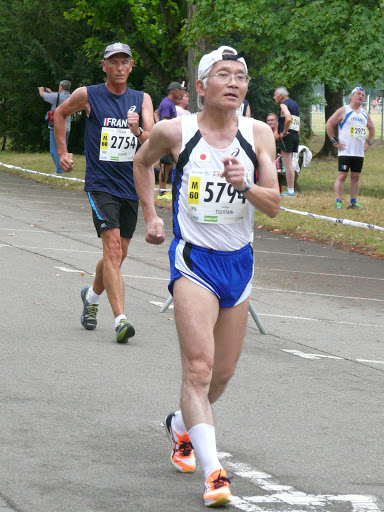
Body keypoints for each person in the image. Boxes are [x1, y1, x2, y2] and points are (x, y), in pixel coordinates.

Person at [133, 46, 280, 507]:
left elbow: (273, 205)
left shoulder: (258, 135)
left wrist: (246, 185)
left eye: (241, 76)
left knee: (221, 374)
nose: (234, 82)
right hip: (193, 259)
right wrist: (151, 217)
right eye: (223, 74)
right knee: (198, 368)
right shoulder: (174, 130)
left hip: (239, 261)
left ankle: (181, 426)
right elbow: (141, 162)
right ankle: (215, 473)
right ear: (201, 87)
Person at [54, 42, 154, 343]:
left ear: (132, 66)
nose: (120, 67)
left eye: (125, 62)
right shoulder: (89, 94)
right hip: (100, 185)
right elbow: (59, 114)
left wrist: (137, 131)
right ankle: (121, 320)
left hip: (131, 185)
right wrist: (63, 152)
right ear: (104, 66)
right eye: (114, 62)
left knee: (119, 254)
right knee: (112, 250)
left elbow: (155, 139)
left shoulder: (142, 99)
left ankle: (92, 297)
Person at [325, 86, 375, 210]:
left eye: (363, 95)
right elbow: (329, 124)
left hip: (358, 152)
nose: (361, 96)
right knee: (342, 175)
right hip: (345, 151)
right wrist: (334, 141)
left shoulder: (364, 113)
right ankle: (338, 202)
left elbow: (372, 128)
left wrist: (368, 143)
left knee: (355, 177)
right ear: (351, 96)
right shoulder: (344, 110)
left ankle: (353, 202)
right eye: (358, 94)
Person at [156, 81, 186, 196]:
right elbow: (165, 123)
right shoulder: (167, 103)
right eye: (181, 90)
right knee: (164, 165)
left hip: (169, 139)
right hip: (166, 140)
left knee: (168, 165)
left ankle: (165, 191)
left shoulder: (170, 103)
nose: (182, 93)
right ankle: (162, 192)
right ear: (175, 91)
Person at [38, 80, 71, 175]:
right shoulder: (71, 97)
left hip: (56, 127)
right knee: (64, 149)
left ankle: (60, 170)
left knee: (54, 150)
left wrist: (41, 89)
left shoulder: (56, 97)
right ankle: (64, 168)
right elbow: (59, 96)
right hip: (67, 127)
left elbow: (42, 95)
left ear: (61, 87)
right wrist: (51, 92)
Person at [273, 86, 300, 197]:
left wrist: (283, 132)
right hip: (294, 135)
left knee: (287, 163)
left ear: (281, 95)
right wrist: (297, 133)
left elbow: (288, 118)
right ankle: (291, 189)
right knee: (290, 163)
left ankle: (290, 190)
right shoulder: (295, 104)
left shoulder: (284, 104)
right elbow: (298, 120)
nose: (274, 98)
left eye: (275, 95)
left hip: (287, 136)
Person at [266, 112, 284, 192]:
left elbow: (273, 139)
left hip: (279, 156)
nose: (270, 122)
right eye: (268, 120)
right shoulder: (266, 131)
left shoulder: (279, 131)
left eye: (272, 120)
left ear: (277, 121)